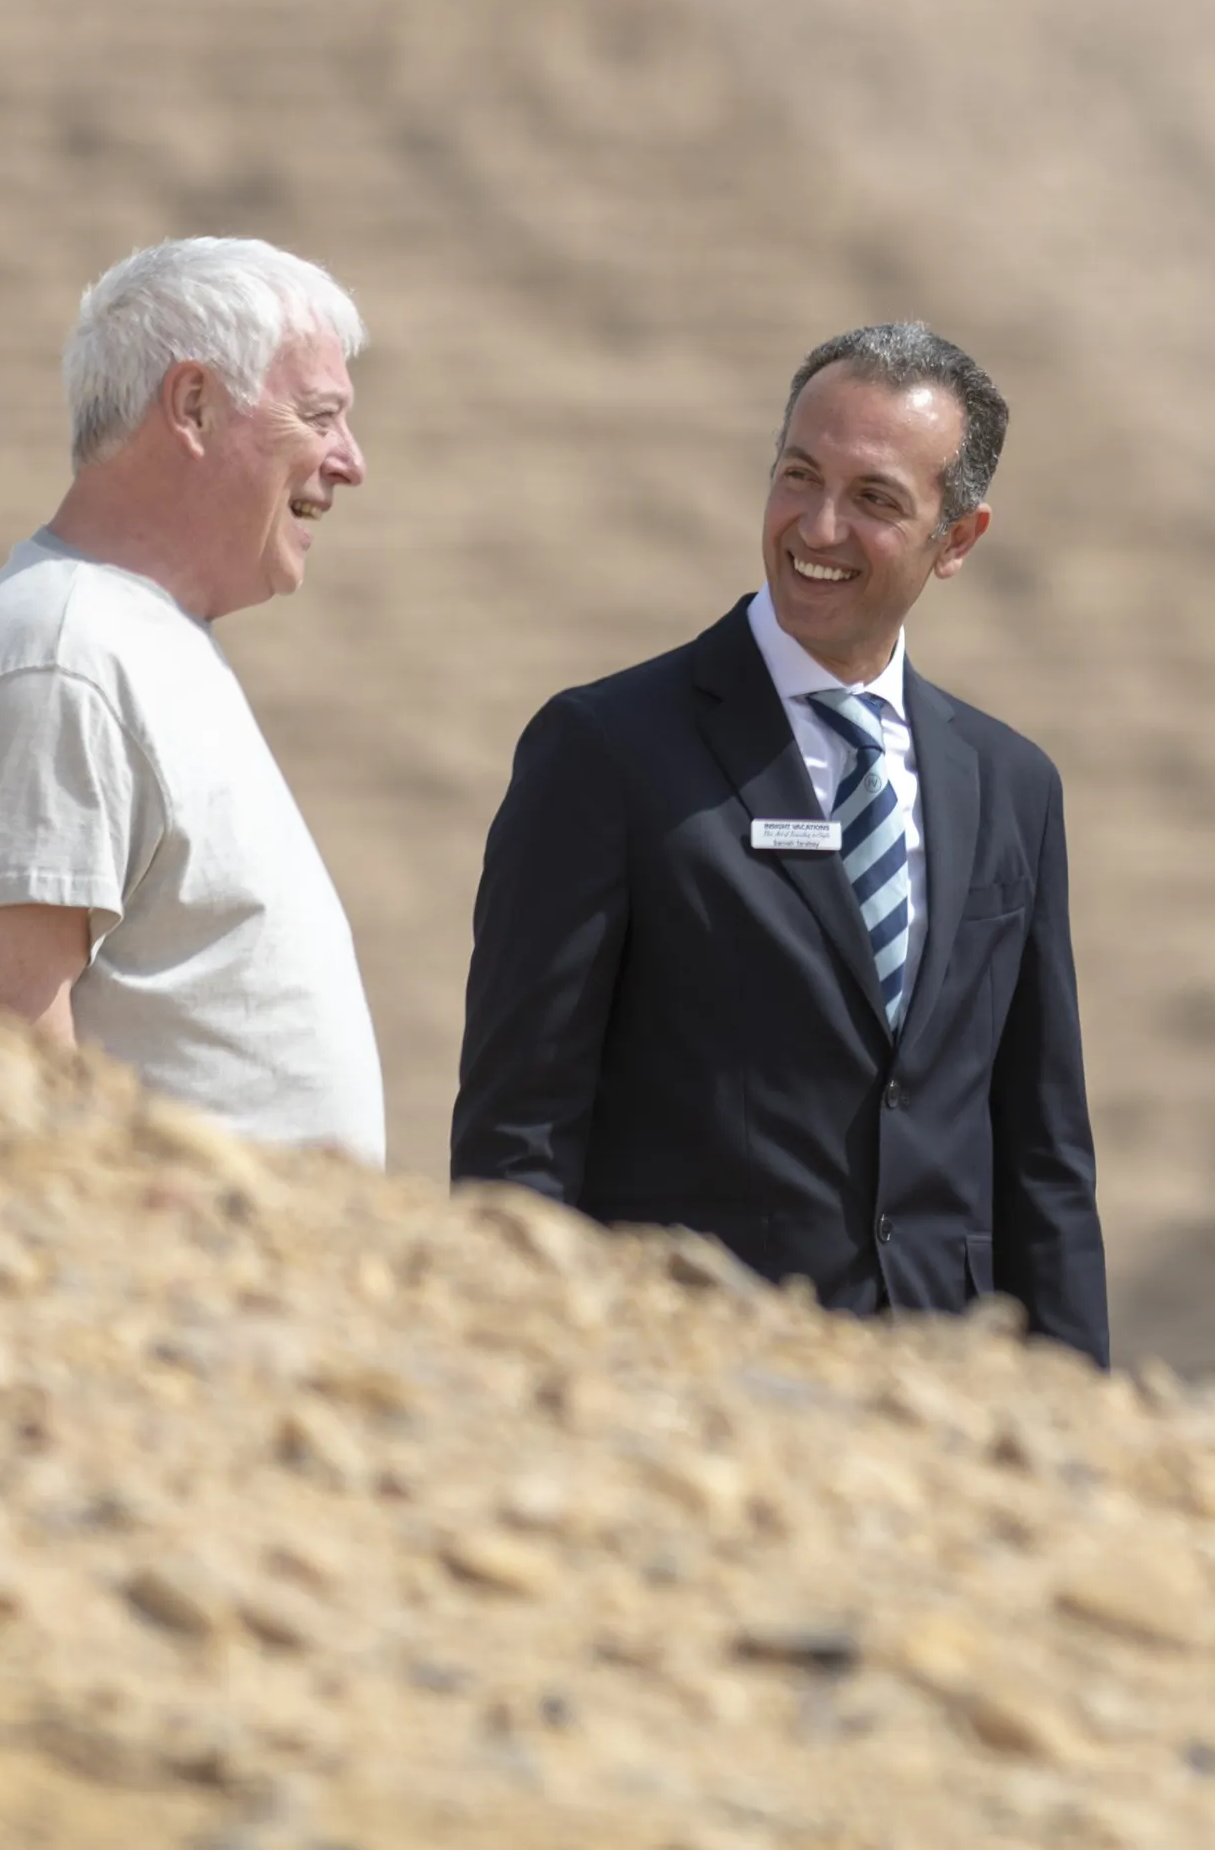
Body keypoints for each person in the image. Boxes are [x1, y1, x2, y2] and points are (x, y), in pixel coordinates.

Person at [448, 325, 1106, 1359]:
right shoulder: (608, 750)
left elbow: (1044, 1157)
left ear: (960, 537)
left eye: (876, 499)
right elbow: (519, 1129)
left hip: (947, 1404)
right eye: (799, 476)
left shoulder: (1012, 784)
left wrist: (1087, 1441)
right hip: (691, 1383)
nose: (819, 525)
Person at [0, 237, 387, 1159]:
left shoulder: (130, 642)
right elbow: (12, 1076)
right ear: (193, 404)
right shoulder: (60, 656)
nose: (350, 462)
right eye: (320, 417)